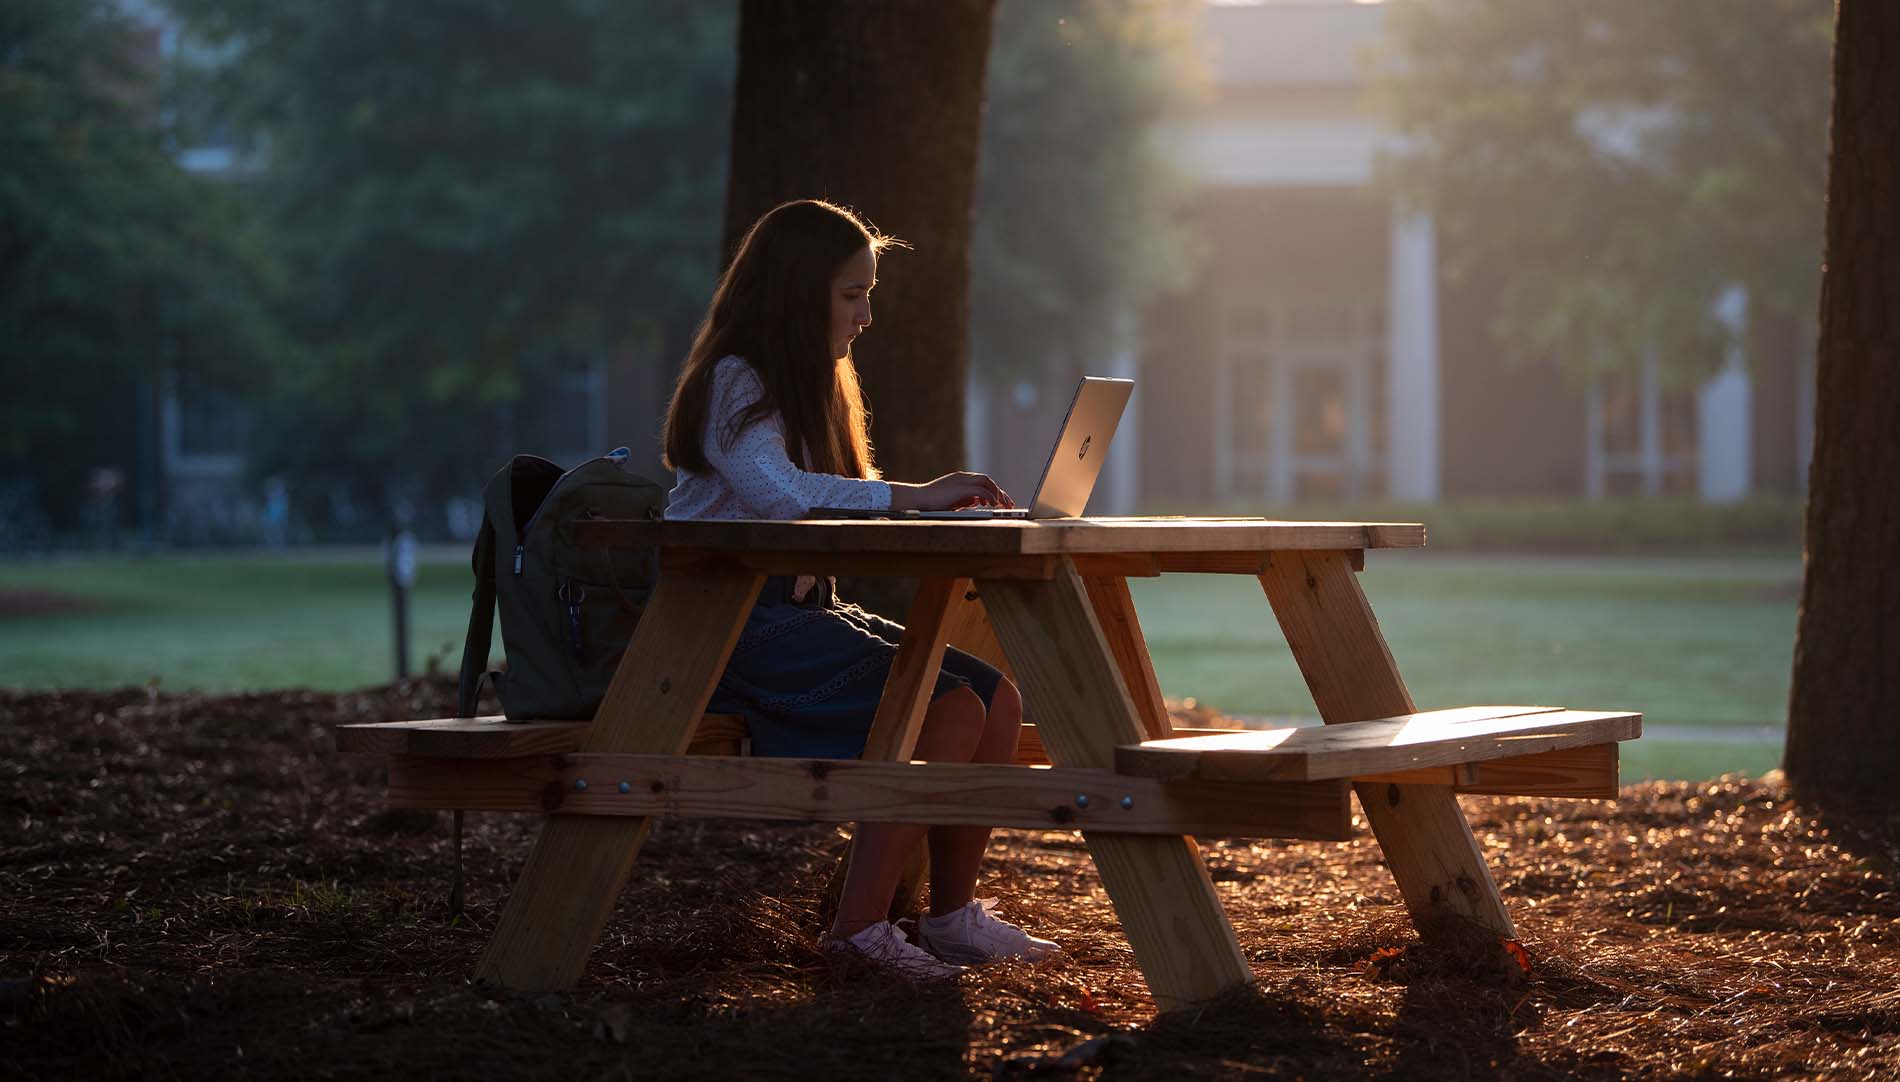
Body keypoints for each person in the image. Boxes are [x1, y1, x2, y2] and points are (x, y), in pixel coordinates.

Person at [661, 199, 1058, 980]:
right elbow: (783, 496)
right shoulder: (735, 381)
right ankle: (857, 931)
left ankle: (948, 919)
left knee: (997, 699)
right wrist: (919, 494)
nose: (866, 315)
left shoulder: (817, 381)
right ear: (794, 291)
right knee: (946, 706)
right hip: (730, 626)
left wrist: (940, 508)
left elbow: (840, 494)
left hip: (803, 611)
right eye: (852, 294)